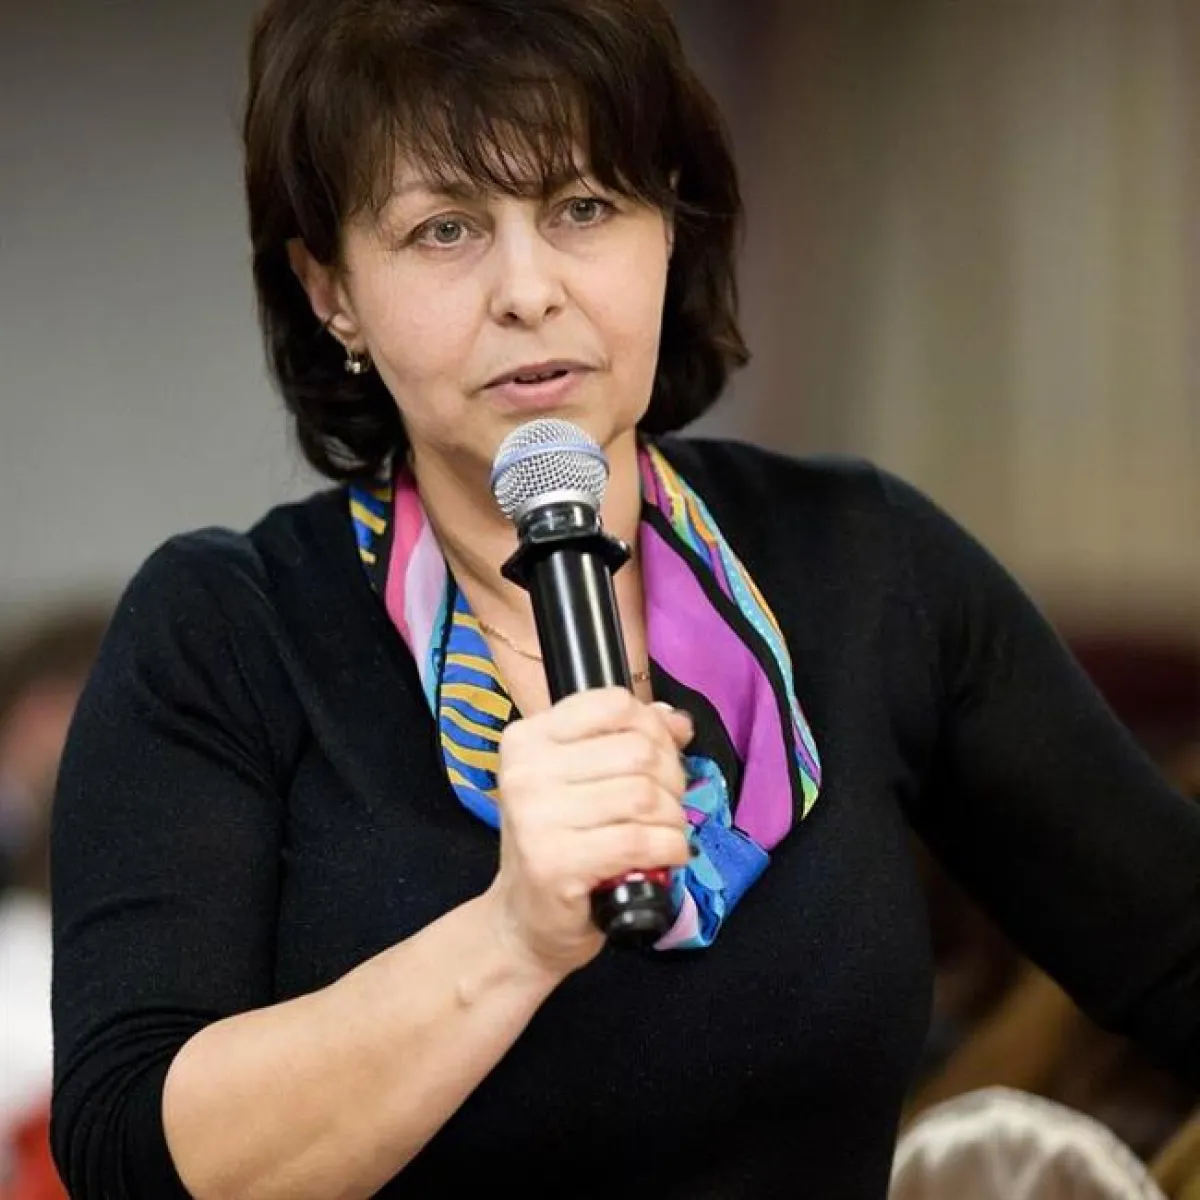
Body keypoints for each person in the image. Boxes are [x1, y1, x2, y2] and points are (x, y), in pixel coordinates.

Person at [48, 2, 1200, 1198]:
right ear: (331, 287)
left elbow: (1175, 952)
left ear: (669, 228)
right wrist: (511, 939)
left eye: (583, 208)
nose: (528, 290)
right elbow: (132, 1156)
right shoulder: (227, 632)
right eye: (445, 228)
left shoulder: (866, 564)